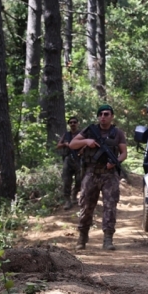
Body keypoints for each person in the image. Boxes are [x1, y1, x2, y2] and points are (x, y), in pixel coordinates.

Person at [69, 105, 127, 251]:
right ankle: (82, 237)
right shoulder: (90, 130)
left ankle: (108, 239)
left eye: (106, 114)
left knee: (110, 206)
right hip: (91, 172)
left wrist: (115, 162)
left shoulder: (117, 133)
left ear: (112, 116)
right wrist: (86, 141)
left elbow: (123, 153)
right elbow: (72, 144)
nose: (103, 116)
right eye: (100, 114)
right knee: (86, 206)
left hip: (109, 175)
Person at [56, 117, 82, 210]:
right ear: (69, 124)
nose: (72, 124)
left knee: (79, 180)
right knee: (67, 180)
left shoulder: (81, 134)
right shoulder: (66, 134)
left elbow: (87, 144)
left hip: (79, 159)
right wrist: (65, 144)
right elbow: (58, 146)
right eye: (71, 122)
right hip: (68, 159)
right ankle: (67, 200)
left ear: (77, 123)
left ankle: (74, 194)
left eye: (74, 122)